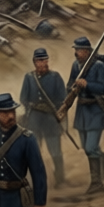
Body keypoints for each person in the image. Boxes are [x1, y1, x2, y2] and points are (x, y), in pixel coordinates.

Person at [67, 37, 104, 194]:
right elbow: (70, 83)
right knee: (87, 148)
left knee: (91, 147)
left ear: (86, 51)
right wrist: (73, 88)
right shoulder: (75, 65)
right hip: (82, 111)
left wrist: (87, 84)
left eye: (78, 50)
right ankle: (103, 159)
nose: (76, 53)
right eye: (75, 50)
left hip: (95, 110)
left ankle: (96, 182)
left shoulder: (98, 66)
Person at [19, 48, 68, 185]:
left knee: (55, 151)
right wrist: (32, 106)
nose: (41, 63)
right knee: (32, 152)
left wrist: (58, 114)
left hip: (50, 120)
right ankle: (31, 180)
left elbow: (62, 99)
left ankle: (60, 178)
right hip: (34, 119)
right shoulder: (29, 78)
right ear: (34, 62)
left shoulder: (55, 77)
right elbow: (23, 98)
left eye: (43, 60)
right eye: (38, 60)